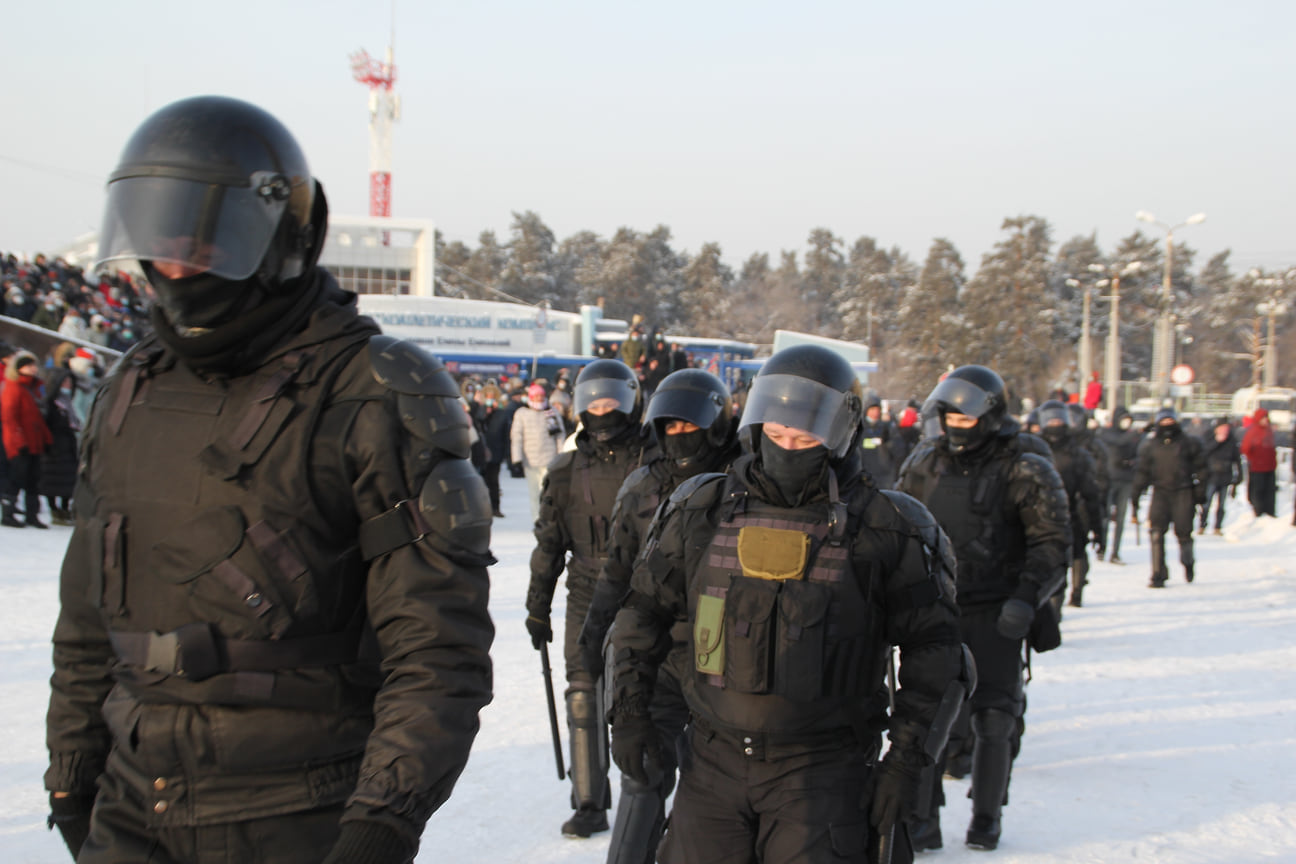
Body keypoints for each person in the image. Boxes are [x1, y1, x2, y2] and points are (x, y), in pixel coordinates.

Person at [43, 96, 494, 864]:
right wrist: (72, 766)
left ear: (275, 238)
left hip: (299, 812)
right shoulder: (131, 390)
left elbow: (436, 649)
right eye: (160, 241)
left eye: (203, 242)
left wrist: (384, 819)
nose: (176, 267)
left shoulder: (374, 392)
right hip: (131, 802)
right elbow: (89, 617)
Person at [609, 345, 972, 864]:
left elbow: (936, 650)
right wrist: (628, 712)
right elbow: (640, 612)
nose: (787, 447)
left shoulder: (887, 526)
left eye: (805, 437)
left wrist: (908, 760)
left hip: (824, 772)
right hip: (712, 763)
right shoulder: (700, 509)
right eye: (776, 434)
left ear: (842, 435)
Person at [896, 365, 1070, 851]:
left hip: (997, 611)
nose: (955, 425)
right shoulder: (925, 460)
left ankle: (987, 817)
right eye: (948, 415)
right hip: (937, 610)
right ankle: (923, 819)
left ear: (991, 416)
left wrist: (1027, 597)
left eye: (966, 417)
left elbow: (1053, 543)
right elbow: (898, 528)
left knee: (994, 719)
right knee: (927, 716)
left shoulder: (1025, 466)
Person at [577, 369, 739, 864]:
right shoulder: (641, 486)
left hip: (732, 654)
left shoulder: (746, 482)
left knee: (722, 784)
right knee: (643, 772)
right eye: (669, 426)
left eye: (689, 425)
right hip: (660, 648)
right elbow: (617, 569)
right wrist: (595, 632)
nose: (679, 436)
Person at [525, 359, 651, 838]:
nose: (603, 411)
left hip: (646, 595)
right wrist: (538, 605)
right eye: (593, 403)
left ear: (631, 401)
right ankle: (590, 801)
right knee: (583, 697)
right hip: (585, 592)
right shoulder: (563, 471)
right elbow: (549, 545)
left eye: (612, 401)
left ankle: (649, 794)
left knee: (649, 698)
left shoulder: (654, 462)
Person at [1037, 400, 1104, 609]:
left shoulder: (1077, 453)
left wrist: (1097, 527)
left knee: (1073, 554)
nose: (1055, 423)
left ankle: (1073, 594)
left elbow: (1091, 492)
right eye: (1051, 419)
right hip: (1035, 515)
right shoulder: (1033, 449)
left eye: (1059, 418)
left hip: (1070, 514)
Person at [1132, 408, 1207, 587]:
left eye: (1169, 421)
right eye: (1163, 422)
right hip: (1160, 492)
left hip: (1183, 491)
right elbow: (1143, 471)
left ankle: (1188, 563)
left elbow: (1202, 469)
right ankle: (1158, 574)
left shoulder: (1189, 443)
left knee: (1183, 534)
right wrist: (1136, 493)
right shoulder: (1151, 446)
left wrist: (1200, 492)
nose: (1167, 425)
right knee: (1156, 533)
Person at [2, 349, 53, 528]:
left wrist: (46, 440)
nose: (33, 368)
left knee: (33, 481)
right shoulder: (14, 388)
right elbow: (9, 418)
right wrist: (18, 442)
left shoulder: (32, 388)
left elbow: (38, 418)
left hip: (34, 442)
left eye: (34, 365)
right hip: (20, 443)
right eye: (28, 365)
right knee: (15, 479)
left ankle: (32, 515)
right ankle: (7, 513)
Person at [511, 381, 566, 523]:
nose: (539, 399)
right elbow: (517, 436)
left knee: (548, 492)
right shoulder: (522, 413)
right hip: (531, 461)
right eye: (536, 396)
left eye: (541, 396)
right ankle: (538, 520)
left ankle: (549, 518)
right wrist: (516, 459)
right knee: (534, 493)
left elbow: (559, 435)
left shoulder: (551, 412)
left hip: (550, 459)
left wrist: (561, 456)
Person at [1099, 407, 1143, 564]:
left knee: (1121, 517)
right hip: (1109, 480)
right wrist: (1135, 434)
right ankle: (1102, 546)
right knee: (1104, 517)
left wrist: (1133, 462)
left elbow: (1140, 454)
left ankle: (1115, 552)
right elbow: (1117, 442)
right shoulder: (1107, 433)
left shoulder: (1132, 437)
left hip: (1126, 479)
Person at [1200, 419, 1242, 535]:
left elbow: (1237, 459)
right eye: (1223, 428)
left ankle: (1217, 527)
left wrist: (1239, 475)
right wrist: (1217, 442)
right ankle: (1202, 525)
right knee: (1206, 503)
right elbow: (1203, 453)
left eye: (1227, 428)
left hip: (1225, 476)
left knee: (1222, 504)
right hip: (1211, 476)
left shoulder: (1231, 441)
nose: (1225, 431)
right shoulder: (1209, 437)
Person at [858, 393, 906, 489]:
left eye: (877, 409)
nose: (875, 412)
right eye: (872, 409)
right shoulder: (859, 429)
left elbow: (900, 451)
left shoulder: (888, 428)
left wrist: (888, 441)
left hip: (885, 478)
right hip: (864, 477)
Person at [1239, 408, 1277, 518]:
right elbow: (1246, 448)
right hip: (1257, 467)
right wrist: (1254, 459)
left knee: (1270, 490)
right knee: (1258, 490)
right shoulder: (1253, 431)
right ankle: (1259, 511)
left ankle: (1270, 511)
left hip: (1270, 466)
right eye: (1263, 418)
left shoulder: (1269, 431)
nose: (1265, 420)